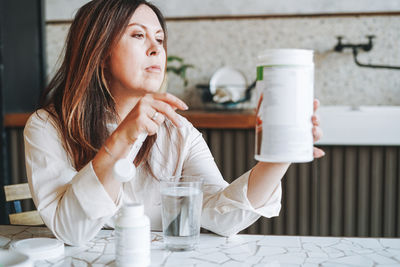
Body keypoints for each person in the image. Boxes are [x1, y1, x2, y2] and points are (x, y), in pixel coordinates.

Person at [24, 0, 324, 246]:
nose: (156, 49)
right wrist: (122, 139)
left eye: (160, 39)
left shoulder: (177, 131)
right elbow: (71, 232)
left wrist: (278, 157)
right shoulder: (46, 127)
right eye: (138, 35)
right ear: (101, 53)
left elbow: (221, 217)